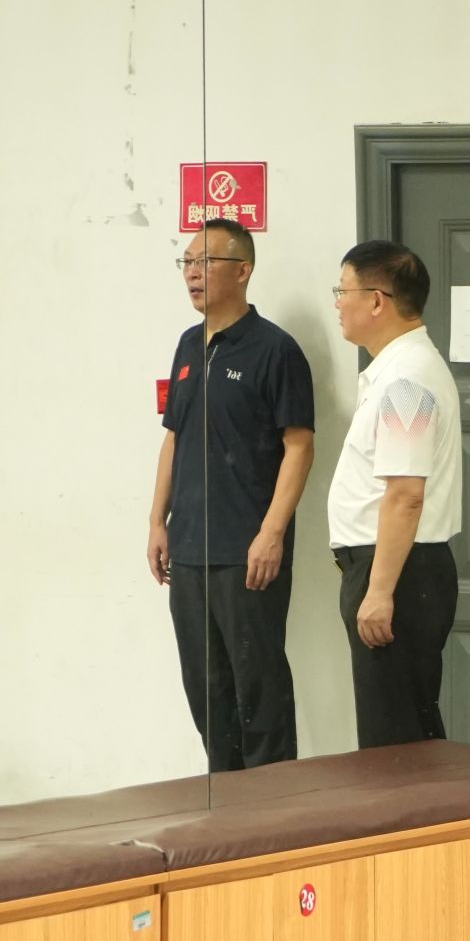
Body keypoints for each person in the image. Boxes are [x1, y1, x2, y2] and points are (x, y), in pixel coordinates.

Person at [148, 218, 315, 770]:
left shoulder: (276, 350)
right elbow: (174, 437)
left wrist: (272, 533)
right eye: (187, 263)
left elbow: (299, 446)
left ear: (242, 271)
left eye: (205, 262)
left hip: (248, 553)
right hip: (189, 550)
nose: (192, 274)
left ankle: (275, 808)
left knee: (258, 691)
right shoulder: (187, 345)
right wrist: (157, 521)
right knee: (207, 691)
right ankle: (226, 805)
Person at [328, 240, 465, 749]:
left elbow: (407, 494)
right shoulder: (399, 370)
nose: (337, 303)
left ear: (376, 301)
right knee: (404, 733)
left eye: (343, 291)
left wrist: (380, 591)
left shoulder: (407, 380)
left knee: (395, 742)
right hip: (394, 567)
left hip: (397, 572)